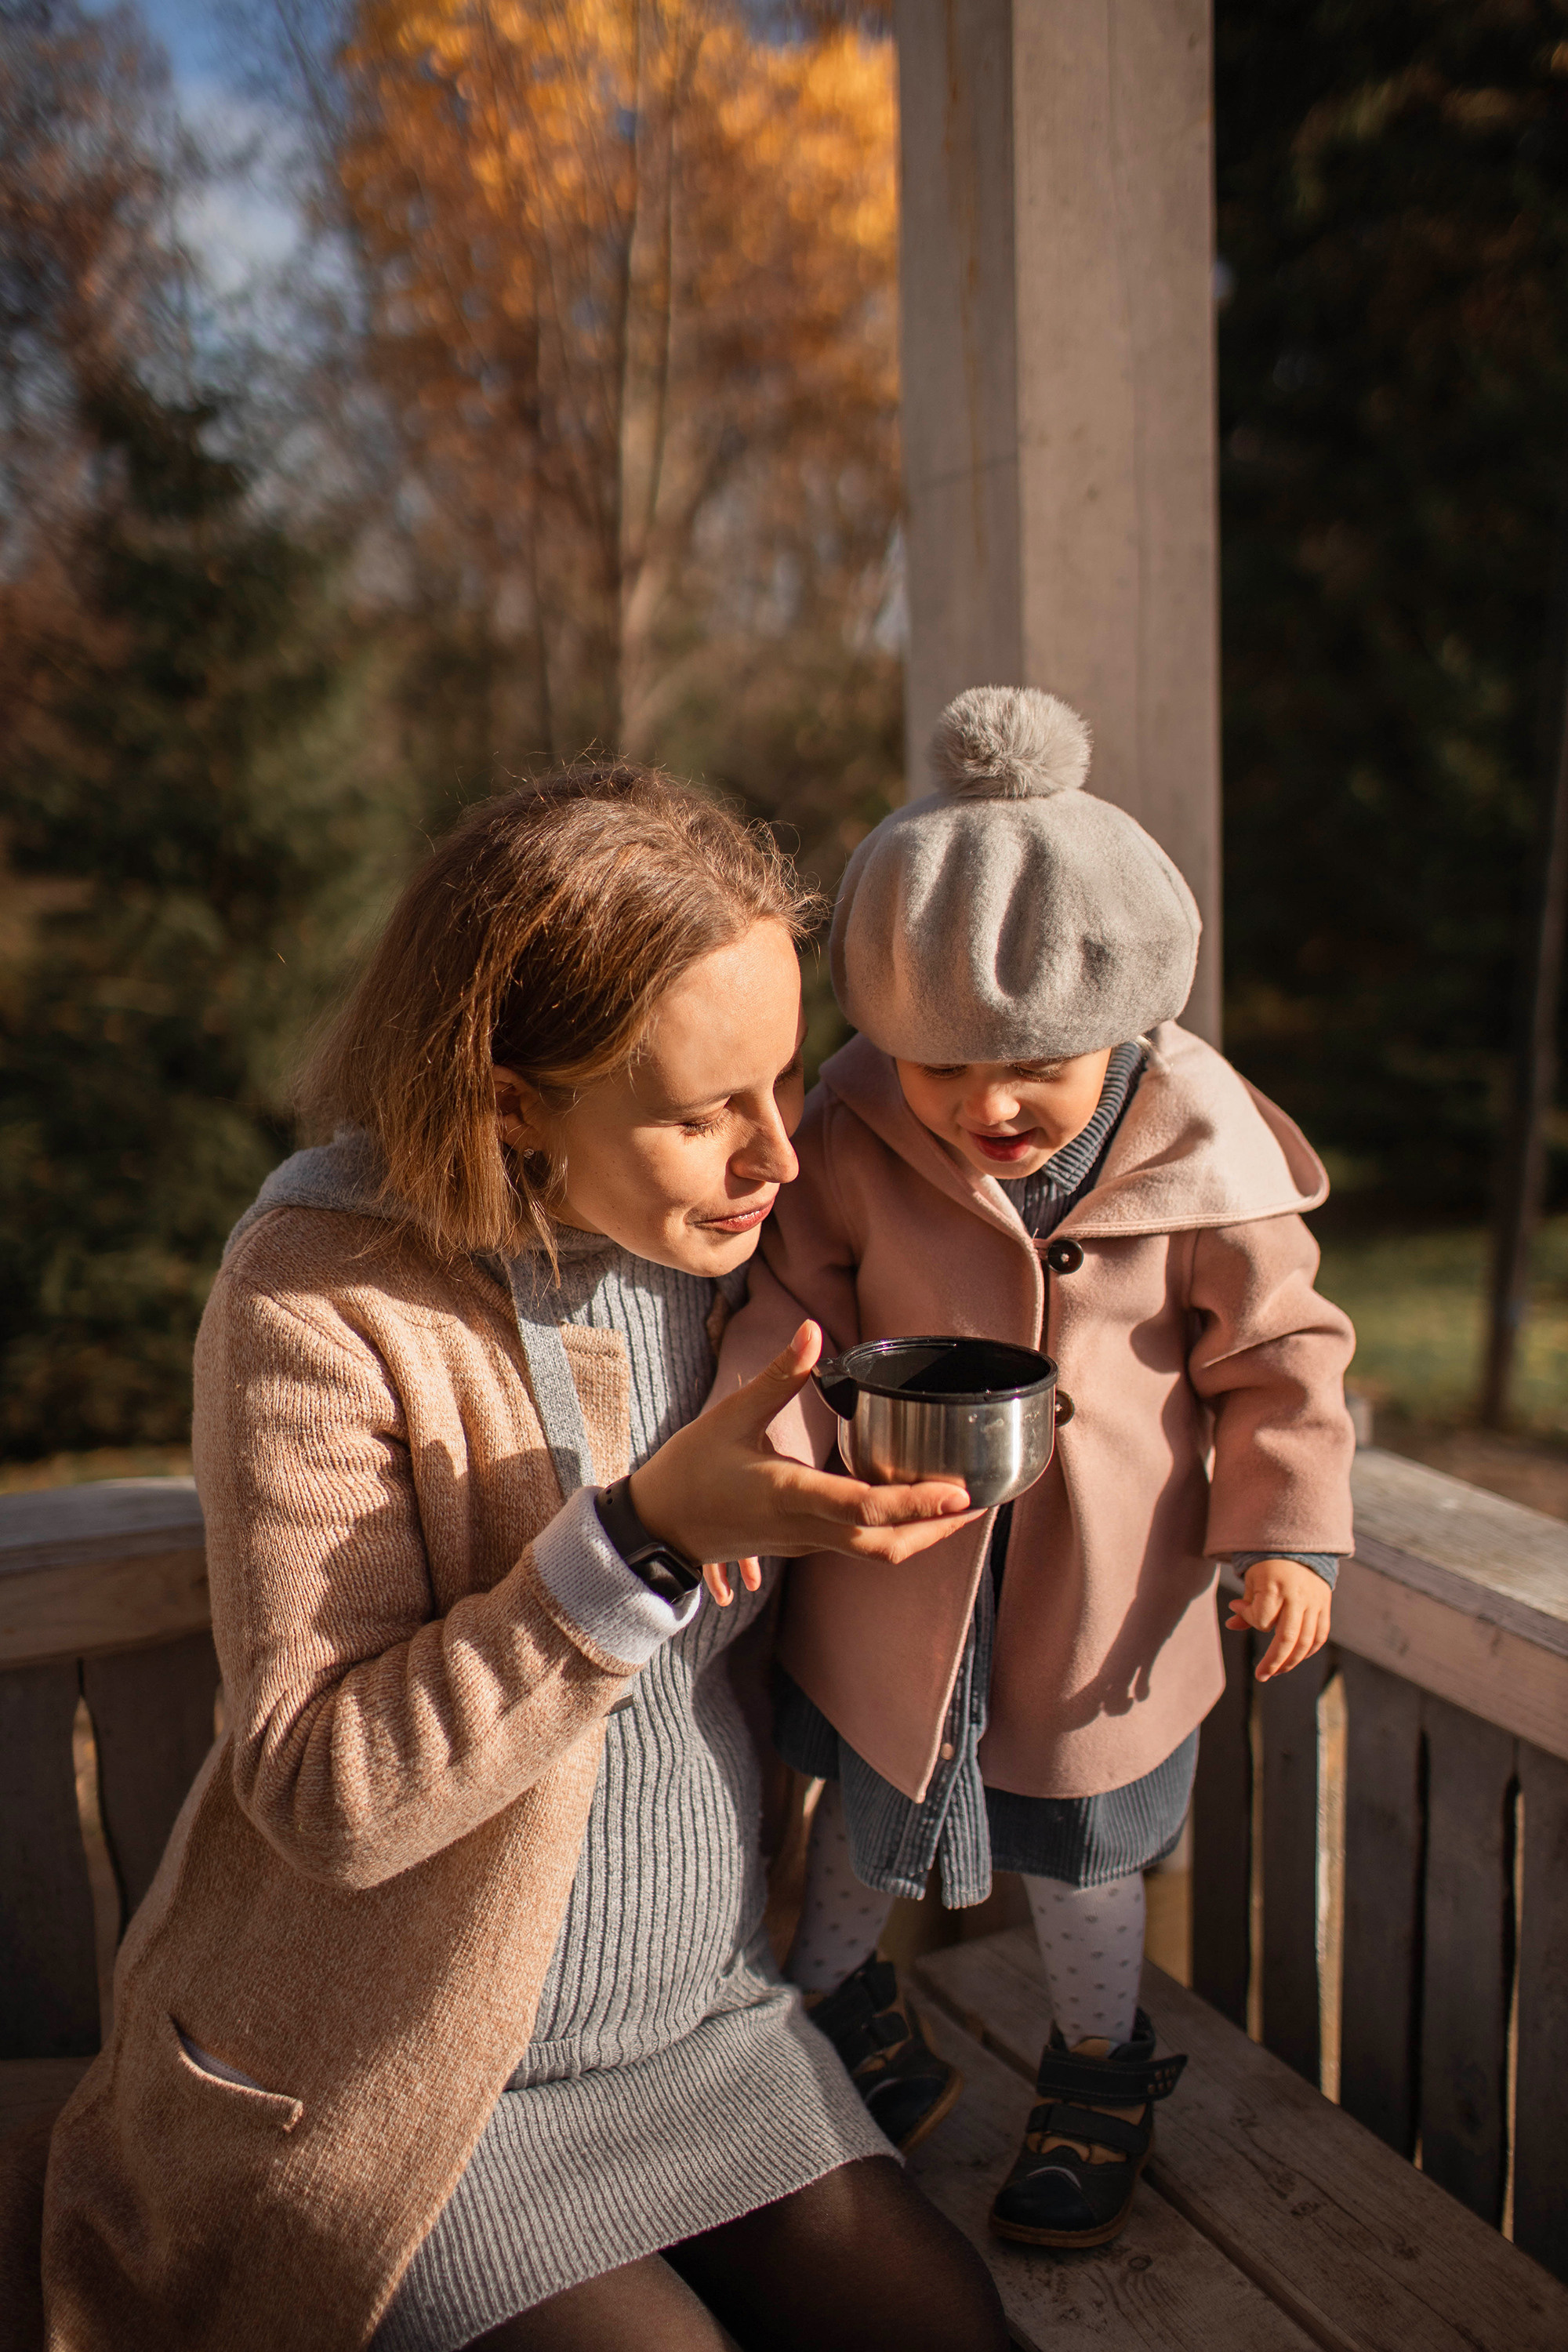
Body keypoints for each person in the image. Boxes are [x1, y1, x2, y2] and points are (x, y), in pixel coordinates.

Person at [34, 766, 1009, 2352]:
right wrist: (641, 1540)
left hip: (708, 2035)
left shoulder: (749, 1251)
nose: (781, 1152)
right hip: (410, 2091)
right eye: (709, 1112)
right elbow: (323, 1792)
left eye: (786, 1083)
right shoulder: (320, 1299)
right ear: (511, 1106)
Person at [715, 687, 1357, 2251]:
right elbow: (788, 1313)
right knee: (857, 1816)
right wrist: (764, 1468)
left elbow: (1278, 1362)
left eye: (1031, 1071)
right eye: (938, 1068)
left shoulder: (1198, 1156)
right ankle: (838, 2014)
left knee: (1083, 1862)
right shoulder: (858, 1136)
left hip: (1101, 1601)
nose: (983, 1107)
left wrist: (1285, 1540)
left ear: (1126, 1027)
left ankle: (1096, 2065)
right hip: (899, 1569)